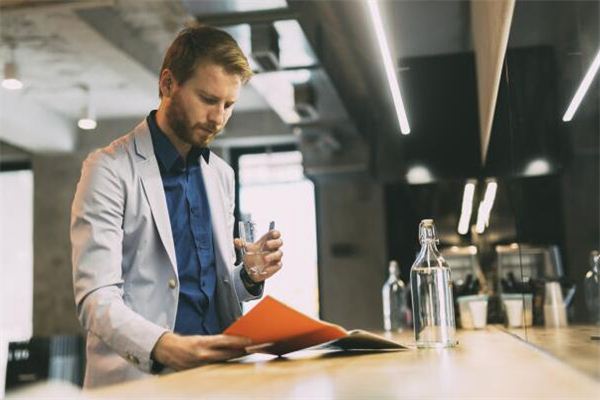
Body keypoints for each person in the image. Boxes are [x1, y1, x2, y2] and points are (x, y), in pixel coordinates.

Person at [71, 26, 284, 388]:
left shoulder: (221, 174)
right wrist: (164, 346)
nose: (218, 118)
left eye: (228, 105)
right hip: (141, 382)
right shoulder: (107, 169)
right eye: (207, 99)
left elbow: (207, 289)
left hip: (219, 378)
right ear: (168, 83)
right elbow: (96, 298)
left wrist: (248, 275)